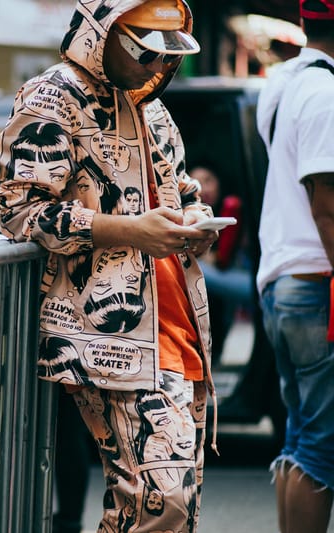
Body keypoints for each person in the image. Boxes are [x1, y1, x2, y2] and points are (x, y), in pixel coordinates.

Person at [0, 1, 221, 531]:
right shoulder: (54, 95)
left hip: (179, 326)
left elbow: (178, 192)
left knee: (159, 510)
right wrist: (131, 231)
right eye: (143, 50)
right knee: (163, 503)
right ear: (102, 31)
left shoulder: (152, 106)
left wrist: (194, 223)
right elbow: (18, 210)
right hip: (105, 333)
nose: (156, 66)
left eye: (167, 52)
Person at [254, 2, 334, 531]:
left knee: (300, 436)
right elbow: (325, 199)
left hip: (281, 280)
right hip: (314, 281)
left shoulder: (284, 82)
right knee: (322, 448)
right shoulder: (325, 93)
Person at [189, 164, 253, 365]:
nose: (203, 188)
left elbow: (221, 262)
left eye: (208, 181)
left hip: (247, 280)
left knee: (196, 272)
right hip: (228, 282)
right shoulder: (188, 215)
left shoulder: (234, 208)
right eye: (196, 183)